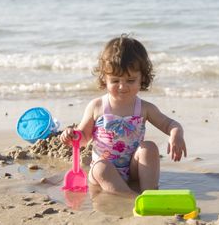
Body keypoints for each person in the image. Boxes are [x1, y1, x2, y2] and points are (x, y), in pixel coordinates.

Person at [60, 35, 186, 197]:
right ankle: (130, 197)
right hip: (102, 171)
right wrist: (72, 135)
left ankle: (150, 194)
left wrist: (176, 134)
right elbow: (83, 138)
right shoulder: (97, 106)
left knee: (149, 147)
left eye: (131, 80)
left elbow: (170, 124)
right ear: (104, 79)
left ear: (142, 78)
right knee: (101, 167)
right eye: (115, 81)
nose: (122, 86)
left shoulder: (144, 108)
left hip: (133, 168)